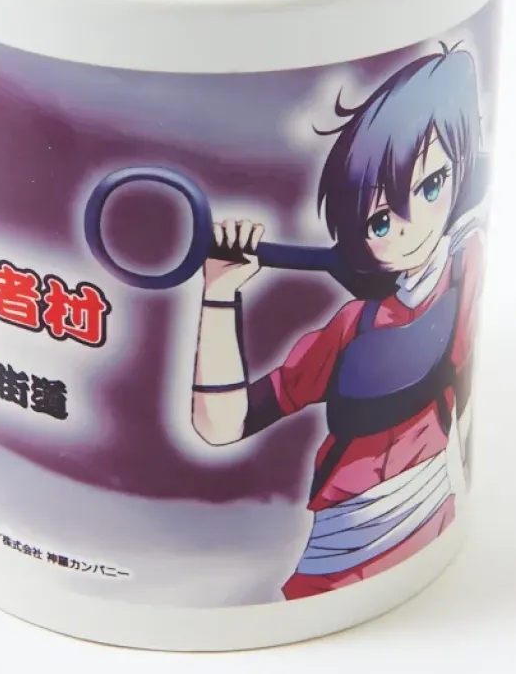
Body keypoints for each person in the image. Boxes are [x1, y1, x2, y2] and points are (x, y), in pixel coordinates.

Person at [189, 43, 484, 598]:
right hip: (340, 553)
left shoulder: (465, 262)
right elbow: (222, 423)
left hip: (431, 517)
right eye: (380, 220)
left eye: (431, 187)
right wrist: (219, 295)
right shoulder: (352, 329)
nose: (412, 225)